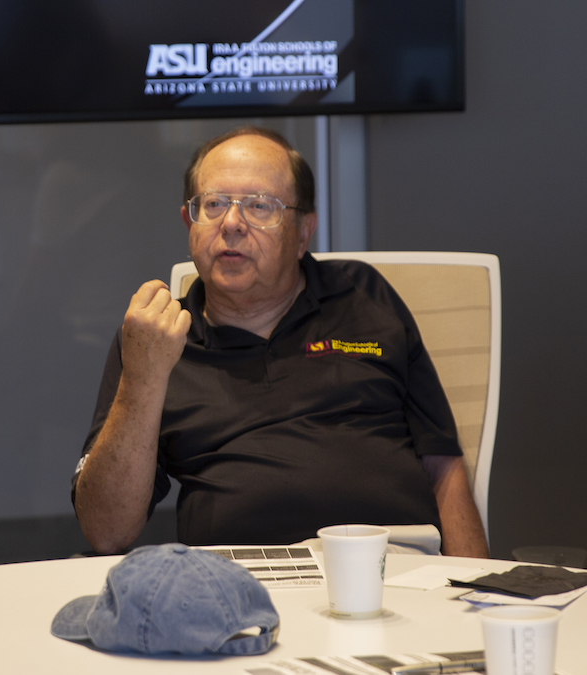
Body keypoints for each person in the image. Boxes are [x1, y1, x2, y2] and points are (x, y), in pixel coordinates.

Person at [72, 127, 488, 559]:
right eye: (213, 204)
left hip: (393, 570)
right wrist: (144, 377)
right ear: (188, 223)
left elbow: (443, 464)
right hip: (238, 584)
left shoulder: (365, 296)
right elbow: (107, 532)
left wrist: (479, 593)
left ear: (303, 231)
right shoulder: (156, 337)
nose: (231, 224)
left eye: (259, 206)